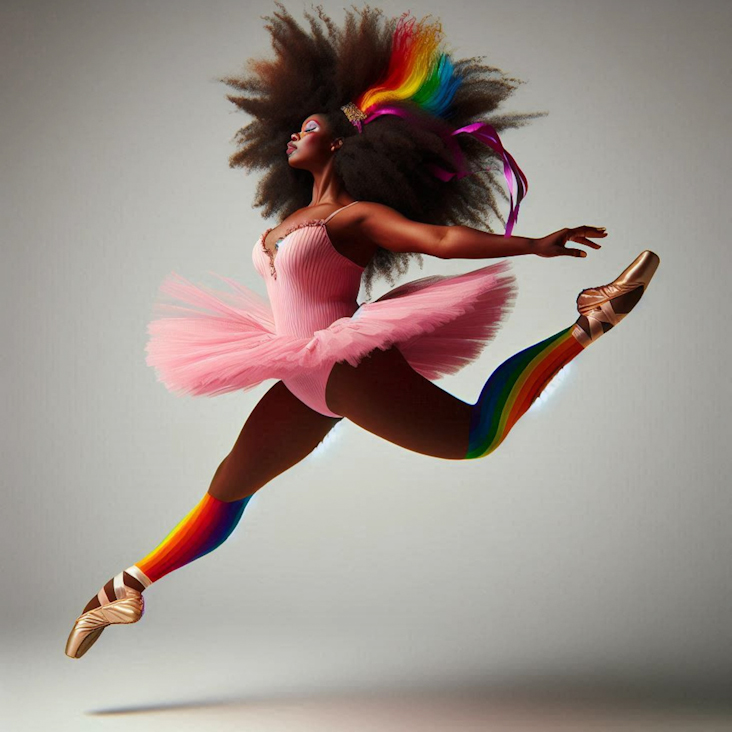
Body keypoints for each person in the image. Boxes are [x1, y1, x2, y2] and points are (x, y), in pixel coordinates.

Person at [65, 5, 659, 659]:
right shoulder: (291, 218)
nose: (295, 136)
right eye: (291, 129)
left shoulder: (353, 216)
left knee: (474, 438)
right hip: (297, 374)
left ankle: (588, 322)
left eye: (309, 127)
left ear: (342, 142)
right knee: (229, 484)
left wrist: (534, 245)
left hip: (344, 365)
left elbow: (437, 238)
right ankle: (124, 588)